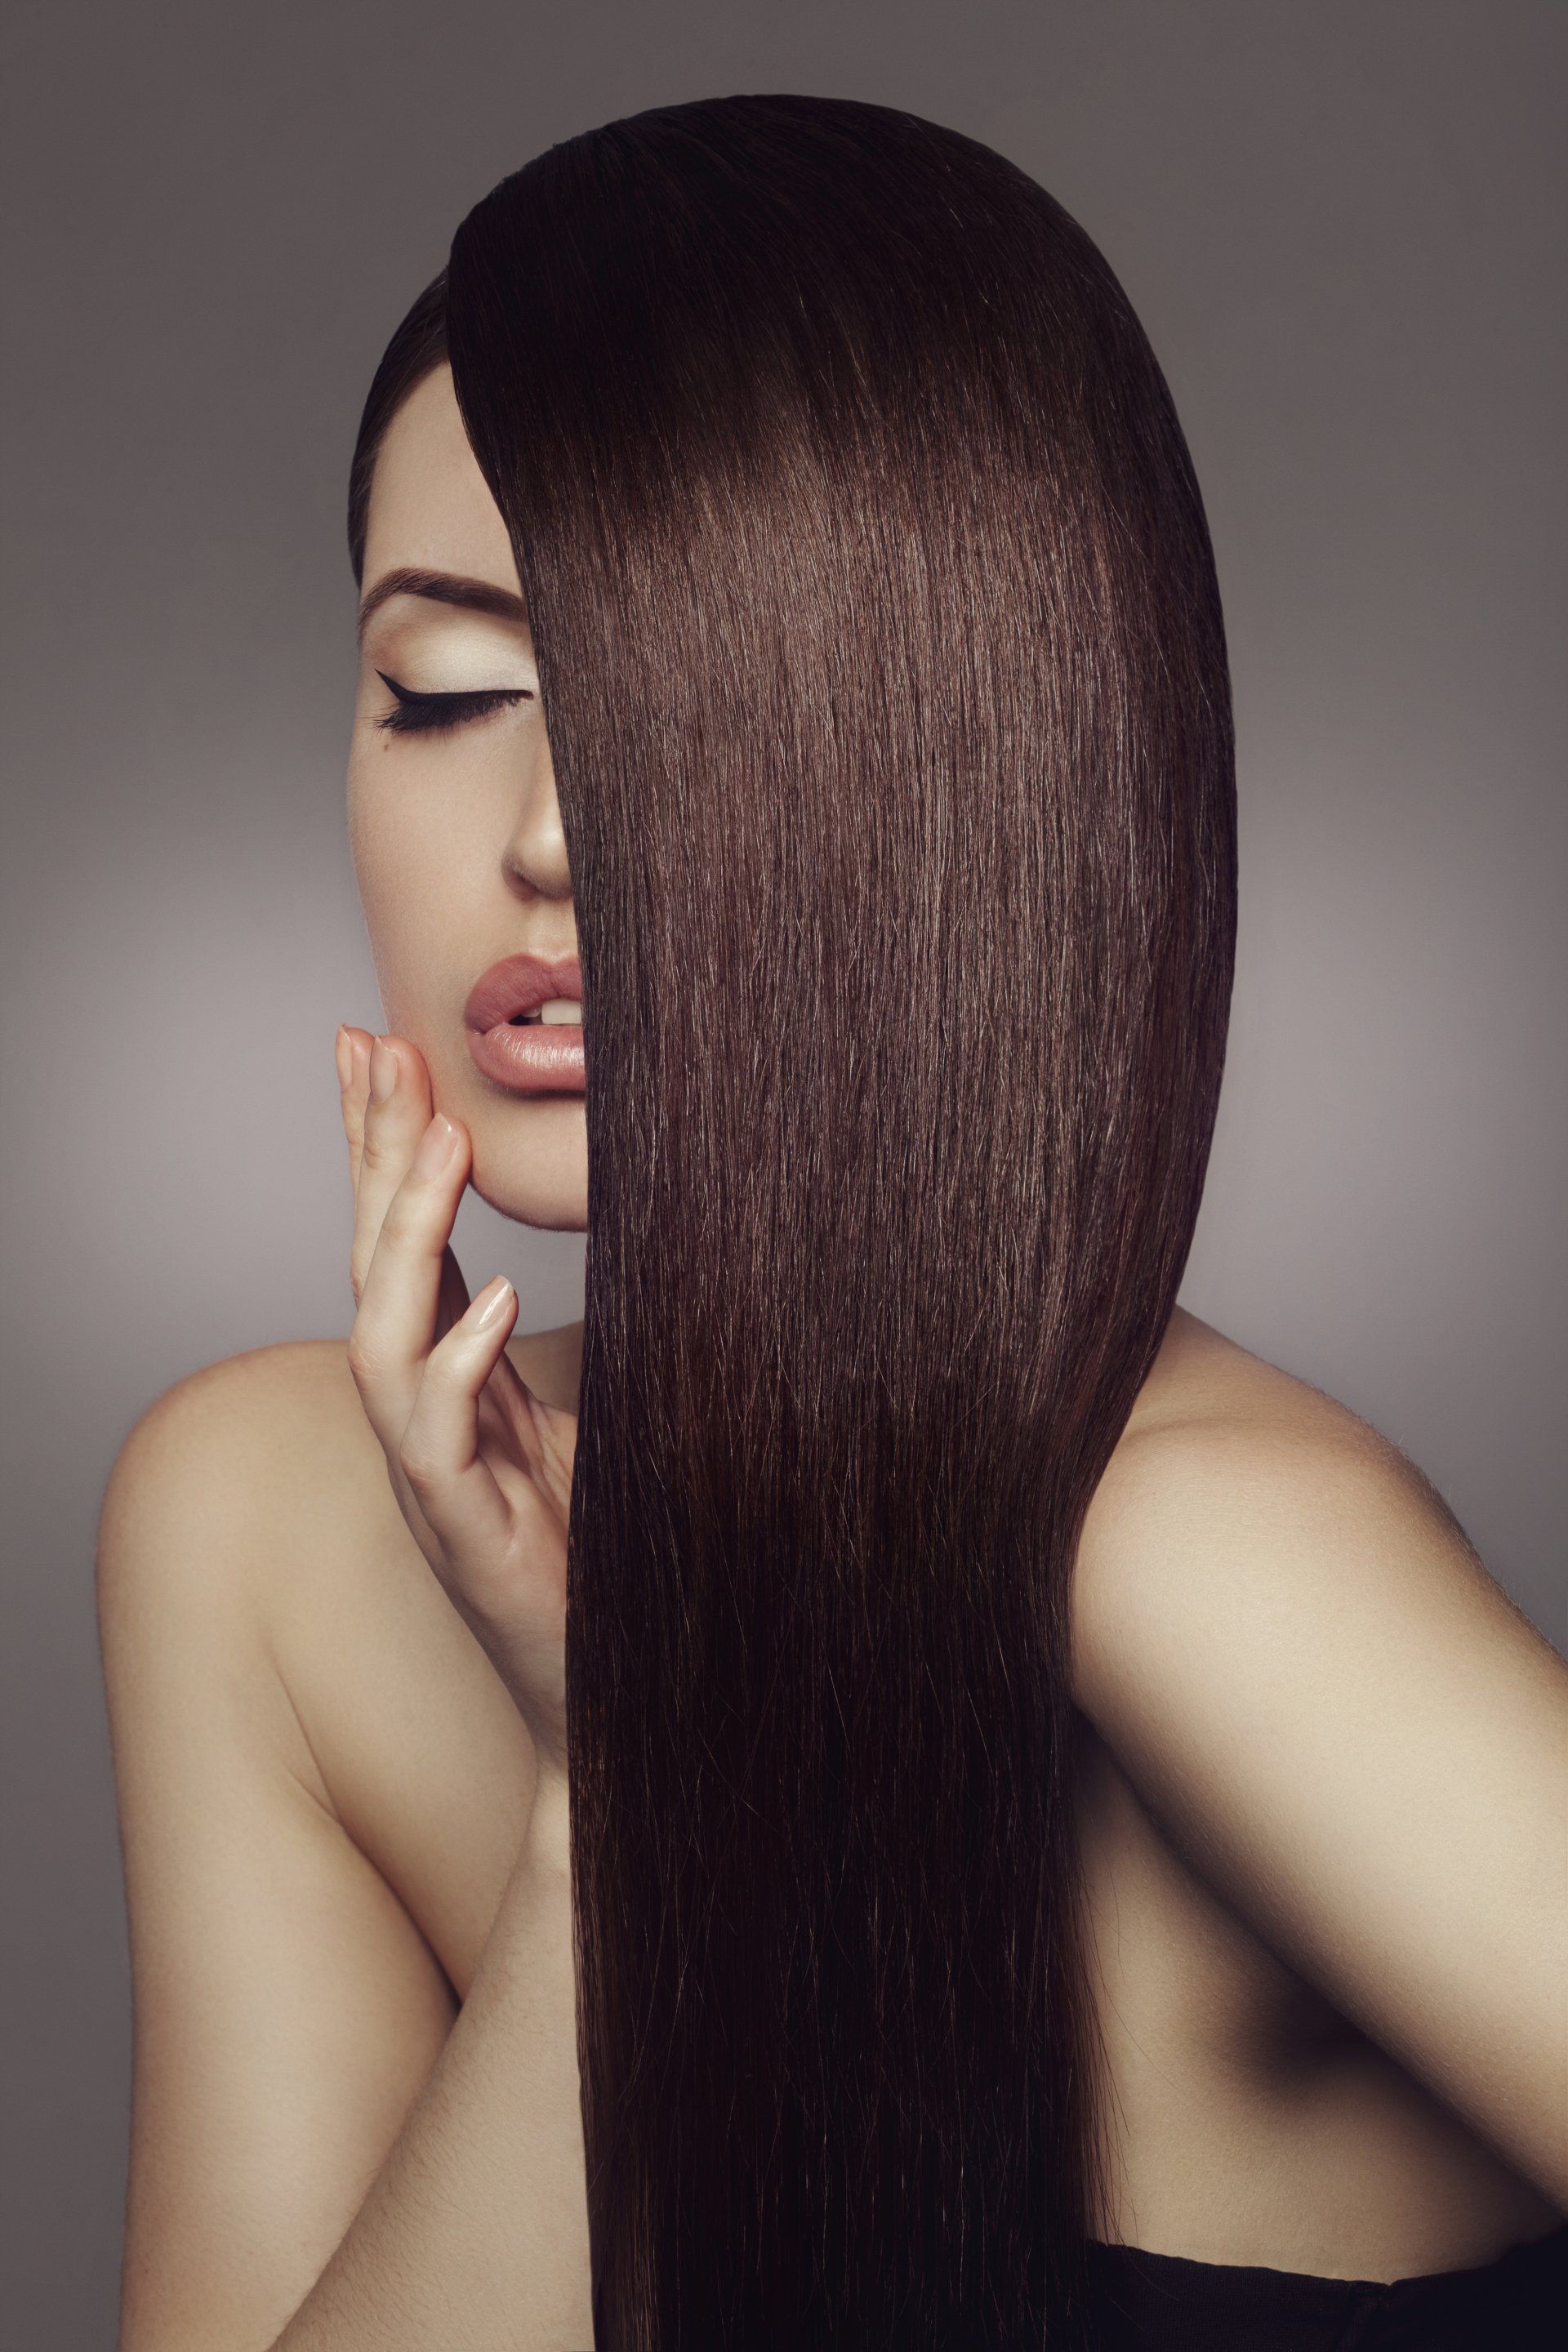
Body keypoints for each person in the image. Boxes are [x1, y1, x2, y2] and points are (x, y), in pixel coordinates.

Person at [96, 96, 1566, 2351]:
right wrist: (622, 1816)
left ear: (971, 775)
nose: (556, 835)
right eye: (449, 688)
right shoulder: (267, 1522)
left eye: (695, 716)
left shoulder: (1200, 1551)